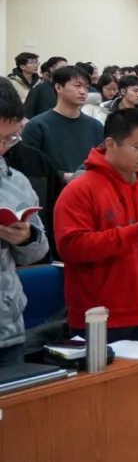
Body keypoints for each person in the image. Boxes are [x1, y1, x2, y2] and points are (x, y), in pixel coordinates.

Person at [54, 110, 138, 342]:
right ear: (111, 144)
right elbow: (71, 247)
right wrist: (137, 233)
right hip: (99, 315)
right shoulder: (79, 190)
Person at [0, 93, 51, 366]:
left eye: (8, 139)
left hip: (7, 327)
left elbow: (38, 251)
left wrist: (27, 237)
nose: (1, 148)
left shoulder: (15, 181)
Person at [22, 66, 104, 183]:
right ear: (58, 87)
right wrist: (63, 176)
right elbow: (29, 166)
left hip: (89, 188)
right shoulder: (37, 126)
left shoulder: (96, 126)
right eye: (77, 86)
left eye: (86, 87)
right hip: (52, 190)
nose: (83, 91)